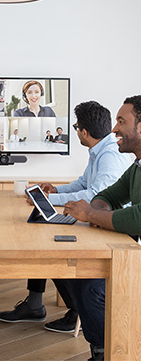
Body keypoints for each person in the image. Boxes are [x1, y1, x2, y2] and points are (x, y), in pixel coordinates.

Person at [0, 101, 131, 334]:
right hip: (95, 223)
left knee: (55, 251)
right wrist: (56, 190)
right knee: (42, 236)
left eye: (76, 126)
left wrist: (49, 201)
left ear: (83, 132)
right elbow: (83, 183)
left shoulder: (110, 156)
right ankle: (35, 305)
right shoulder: (99, 150)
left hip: (108, 231)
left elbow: (95, 195)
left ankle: (76, 311)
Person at [63, 95, 141, 361]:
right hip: (130, 249)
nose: (114, 129)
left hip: (134, 255)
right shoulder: (137, 167)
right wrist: (95, 213)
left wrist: (92, 214)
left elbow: (139, 217)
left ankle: (115, 352)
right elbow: (107, 195)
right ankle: (101, 351)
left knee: (93, 289)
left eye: (122, 121)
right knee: (79, 276)